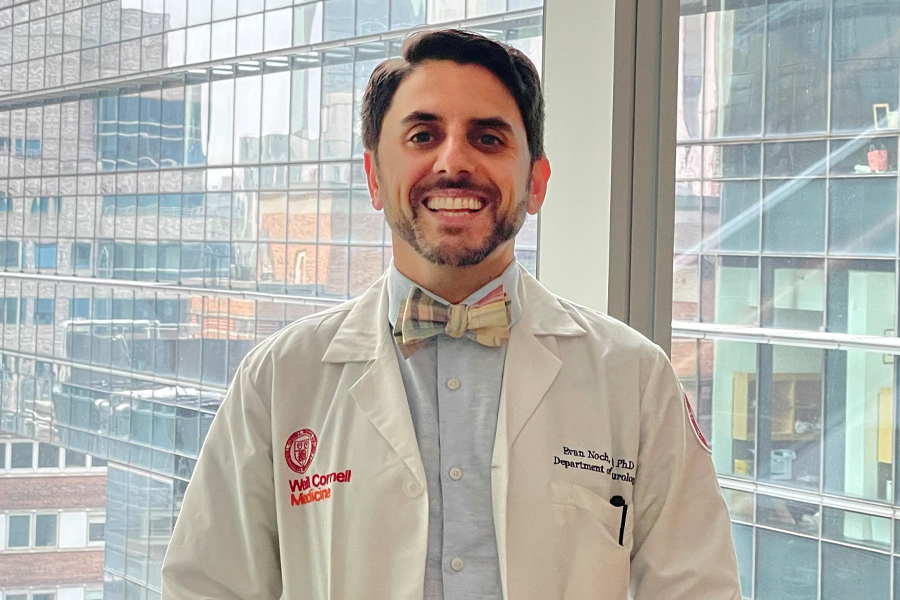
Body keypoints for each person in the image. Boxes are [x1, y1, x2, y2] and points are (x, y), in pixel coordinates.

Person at [161, 29, 741, 600]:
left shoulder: (635, 379)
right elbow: (207, 588)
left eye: (488, 139)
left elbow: (699, 589)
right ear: (374, 178)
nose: (453, 161)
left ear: (535, 183)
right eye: (422, 135)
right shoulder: (279, 380)